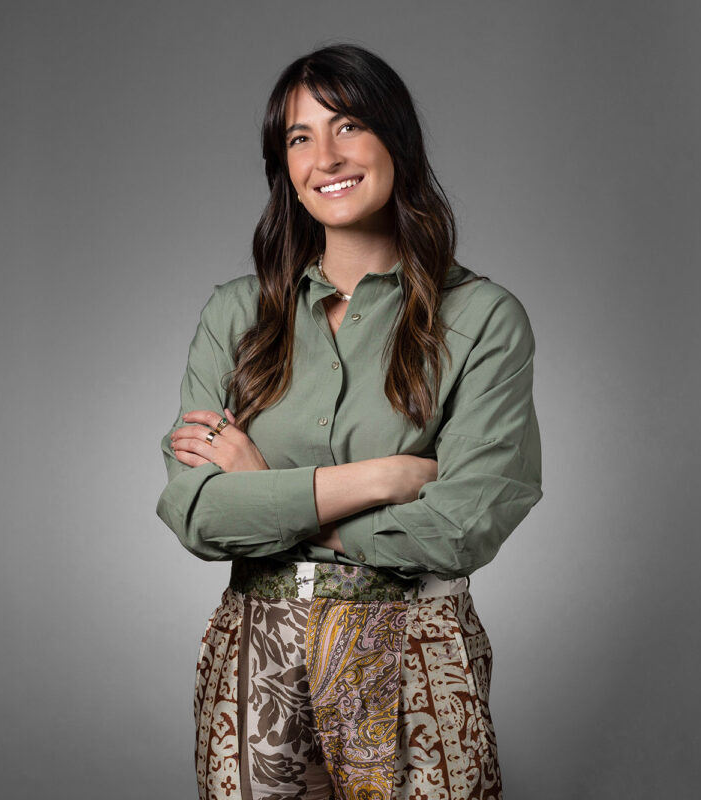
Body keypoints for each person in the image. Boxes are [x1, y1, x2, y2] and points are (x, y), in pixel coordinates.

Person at [157, 43, 542, 800]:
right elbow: (196, 513)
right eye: (300, 137)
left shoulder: (483, 319)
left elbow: (464, 526)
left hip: (413, 651)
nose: (325, 155)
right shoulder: (236, 315)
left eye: (348, 125)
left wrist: (270, 493)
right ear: (284, 168)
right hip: (254, 657)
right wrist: (382, 478)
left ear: (395, 140)